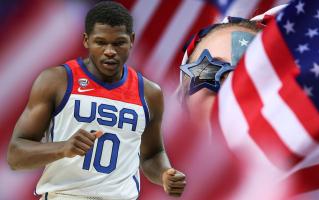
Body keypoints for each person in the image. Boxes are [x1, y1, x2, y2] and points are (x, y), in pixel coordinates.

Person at [6, 2, 186, 200]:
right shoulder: (56, 81)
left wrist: (164, 174)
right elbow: (16, 156)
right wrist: (62, 148)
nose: (110, 51)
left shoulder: (150, 93)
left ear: (131, 41)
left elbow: (152, 155)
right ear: (86, 40)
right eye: (101, 42)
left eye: (118, 43)